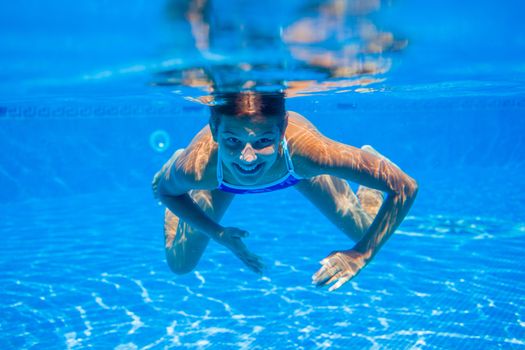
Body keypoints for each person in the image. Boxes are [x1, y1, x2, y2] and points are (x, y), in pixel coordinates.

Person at [152, 91, 418, 292]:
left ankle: (370, 168)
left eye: (263, 141)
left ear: (281, 131)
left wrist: (360, 255)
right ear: (214, 131)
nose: (247, 158)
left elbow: (405, 187)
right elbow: (165, 193)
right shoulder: (198, 168)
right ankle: (173, 166)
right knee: (181, 264)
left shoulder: (309, 153)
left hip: (293, 168)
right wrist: (218, 233)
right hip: (219, 178)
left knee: (365, 234)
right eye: (233, 141)